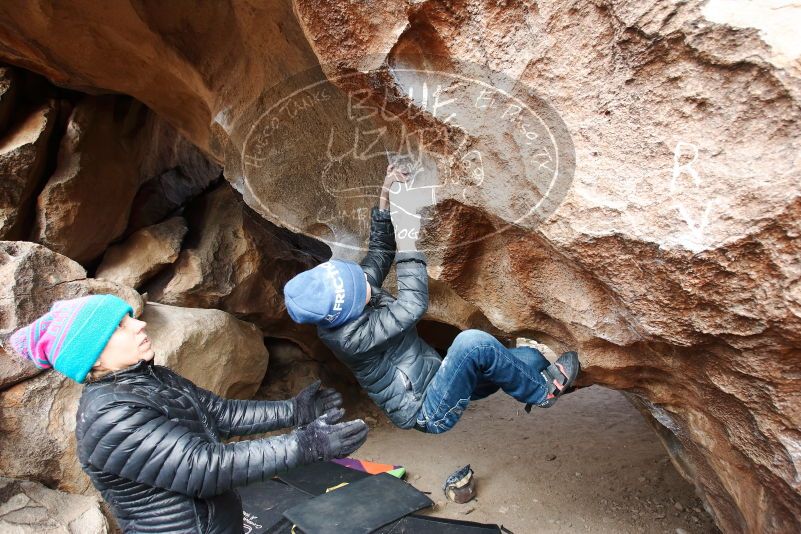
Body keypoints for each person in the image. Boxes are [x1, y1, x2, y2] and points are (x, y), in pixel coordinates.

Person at [9, 294, 368, 533]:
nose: (139, 324)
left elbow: (221, 414)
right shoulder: (111, 417)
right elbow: (205, 468)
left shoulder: (146, 378)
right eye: (119, 327)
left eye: (129, 318)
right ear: (93, 357)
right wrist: (304, 446)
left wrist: (295, 410)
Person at [284, 154, 580, 434]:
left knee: (528, 357)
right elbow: (412, 306)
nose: (365, 278)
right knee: (472, 343)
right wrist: (408, 233)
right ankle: (542, 393)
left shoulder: (355, 295)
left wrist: (387, 193)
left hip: (440, 376)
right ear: (344, 311)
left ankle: (540, 381)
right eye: (358, 284)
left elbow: (378, 253)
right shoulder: (350, 339)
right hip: (427, 410)